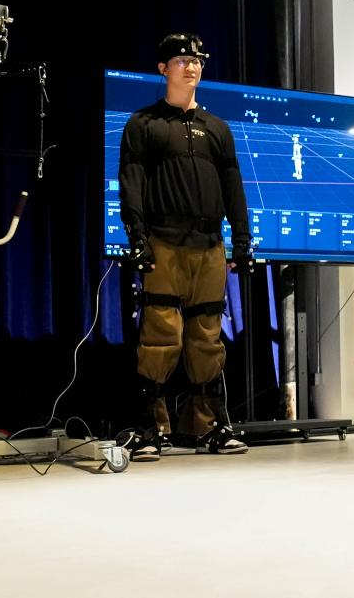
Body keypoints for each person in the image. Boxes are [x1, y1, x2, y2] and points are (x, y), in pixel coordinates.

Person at [118, 33, 256, 461]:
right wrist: (137, 237)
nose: (191, 66)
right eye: (181, 60)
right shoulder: (143, 124)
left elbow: (233, 187)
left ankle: (209, 426)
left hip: (210, 245)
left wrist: (242, 240)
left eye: (196, 60)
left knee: (208, 338)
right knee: (161, 336)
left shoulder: (217, 128)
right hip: (163, 242)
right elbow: (131, 183)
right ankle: (150, 429)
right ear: (163, 69)